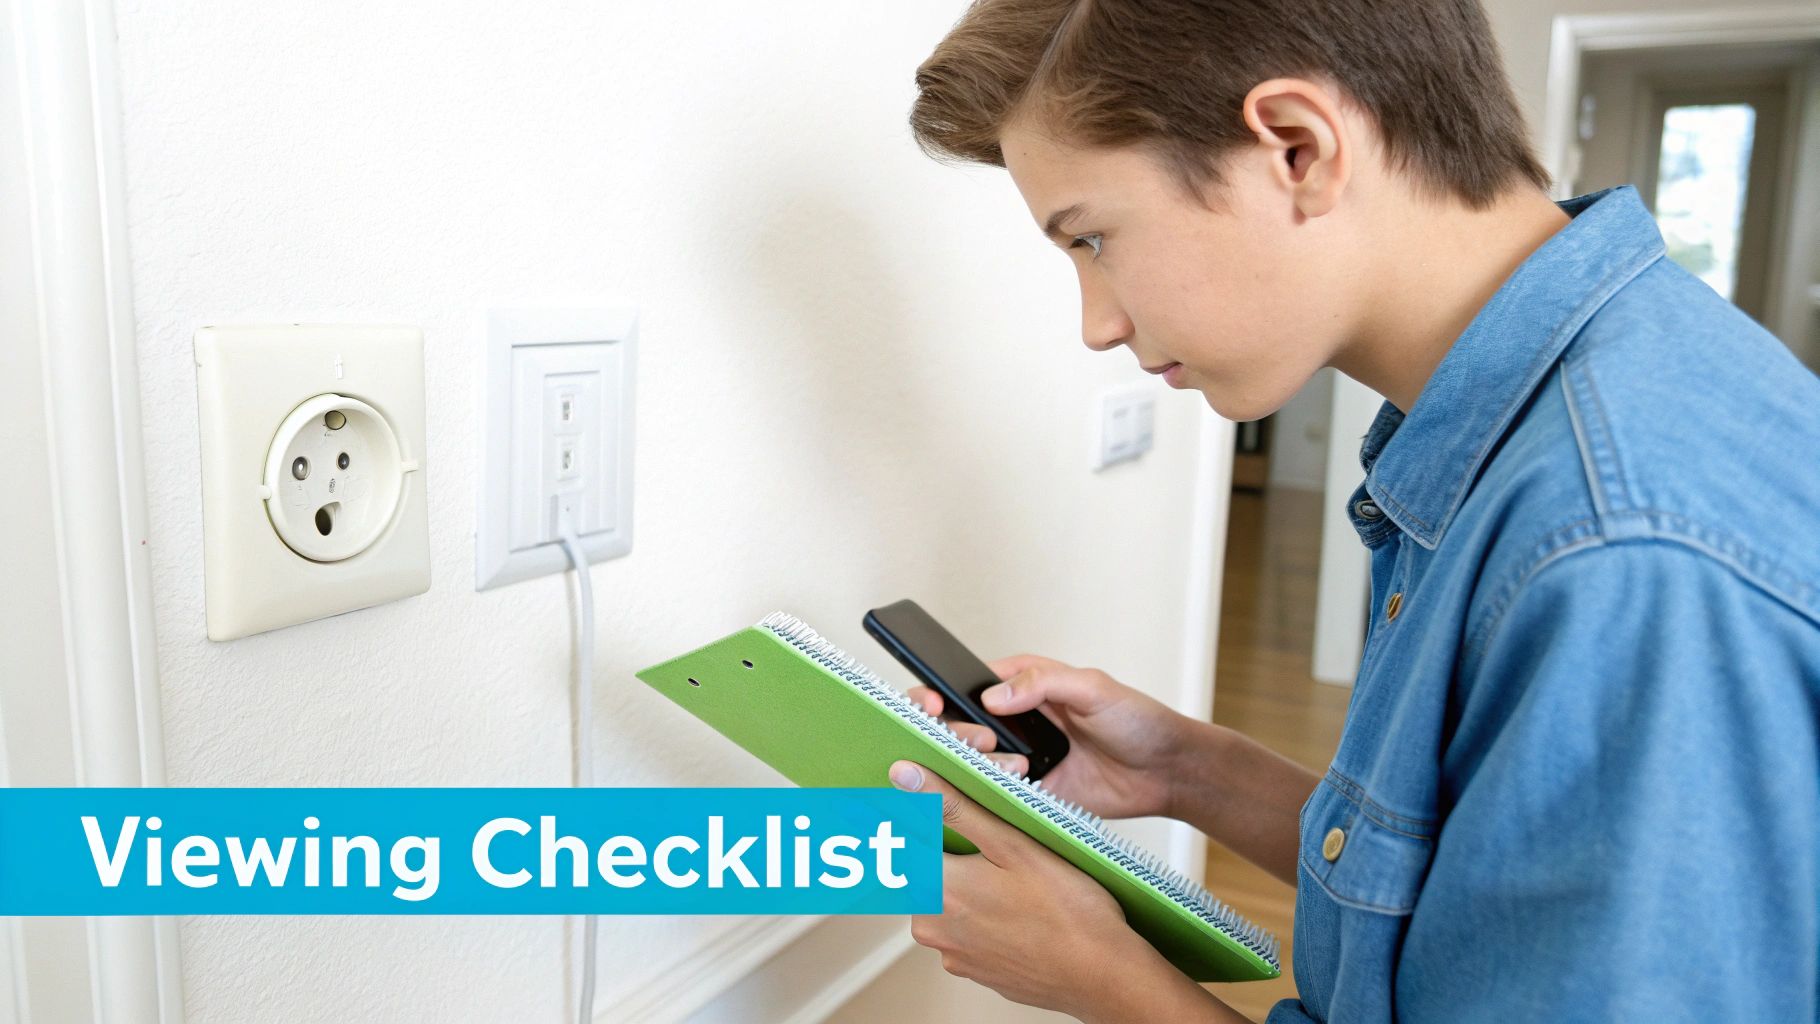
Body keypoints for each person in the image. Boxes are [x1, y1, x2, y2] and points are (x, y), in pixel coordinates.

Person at [880, 1, 1820, 1021]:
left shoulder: (1614, 550)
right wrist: (1188, 769)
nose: (1096, 323)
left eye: (1094, 237)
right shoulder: (1576, 412)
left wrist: (1106, 983)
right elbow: (1478, 883)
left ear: (1296, 147)